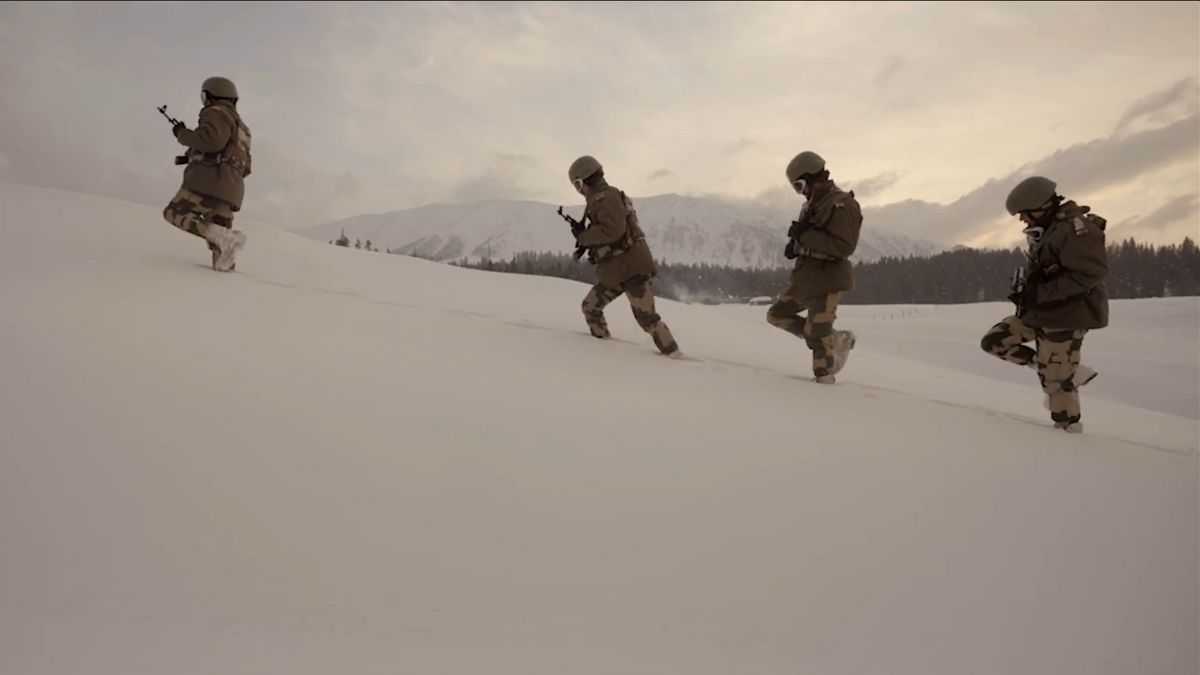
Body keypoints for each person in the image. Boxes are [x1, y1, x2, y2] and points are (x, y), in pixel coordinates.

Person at [981, 176, 1107, 433]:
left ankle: (1067, 431)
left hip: (1067, 317)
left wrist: (1039, 294)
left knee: (1057, 384)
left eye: (1024, 214)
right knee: (995, 341)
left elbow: (1089, 274)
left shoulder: (1075, 229)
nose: (1022, 220)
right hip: (1041, 313)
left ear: (1040, 205)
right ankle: (1064, 369)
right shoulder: (1051, 229)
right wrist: (1027, 292)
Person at [567, 155, 681, 357]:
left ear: (586, 180)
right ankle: (602, 349)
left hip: (631, 268)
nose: (579, 191)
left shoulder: (606, 196)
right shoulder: (598, 200)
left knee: (647, 319)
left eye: (578, 185)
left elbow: (613, 231)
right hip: (616, 270)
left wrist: (584, 237)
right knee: (590, 307)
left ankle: (674, 357)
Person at [766, 151, 861, 383]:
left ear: (812, 178)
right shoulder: (812, 204)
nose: (802, 192)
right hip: (806, 278)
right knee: (777, 315)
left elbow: (843, 246)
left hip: (827, 279)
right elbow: (814, 239)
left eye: (800, 186)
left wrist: (805, 236)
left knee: (818, 339)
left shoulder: (843, 204)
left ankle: (824, 386)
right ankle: (832, 338)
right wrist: (796, 246)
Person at [162, 76, 252, 272]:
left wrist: (182, 134)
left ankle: (225, 238)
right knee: (221, 252)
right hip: (231, 188)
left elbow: (211, 141)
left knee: (174, 213)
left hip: (209, 182)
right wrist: (190, 156)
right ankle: (225, 273)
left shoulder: (215, 112)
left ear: (210, 95)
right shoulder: (243, 129)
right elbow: (244, 164)